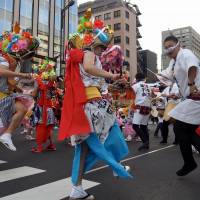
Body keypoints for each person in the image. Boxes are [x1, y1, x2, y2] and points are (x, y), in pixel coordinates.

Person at [59, 11, 131, 200]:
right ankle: (116, 166)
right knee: (113, 131)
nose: (101, 51)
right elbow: (91, 69)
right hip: (93, 105)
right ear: (94, 43)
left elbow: (91, 79)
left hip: (87, 104)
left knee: (83, 149)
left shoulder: (78, 57)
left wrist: (112, 82)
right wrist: (112, 75)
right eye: (101, 47)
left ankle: (77, 188)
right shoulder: (88, 53)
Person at [160, 35, 200, 176]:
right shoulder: (173, 62)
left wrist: (191, 83)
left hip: (196, 97)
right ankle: (189, 162)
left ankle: (189, 163)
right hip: (190, 99)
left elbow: (193, 67)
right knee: (187, 130)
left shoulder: (185, 53)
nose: (168, 49)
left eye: (170, 45)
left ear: (178, 44)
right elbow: (167, 75)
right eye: (165, 47)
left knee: (180, 127)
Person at [0, 55, 31, 151]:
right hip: (2, 95)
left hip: (5, 94)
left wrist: (19, 88)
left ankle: (7, 135)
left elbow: (10, 81)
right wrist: (21, 75)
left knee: (22, 109)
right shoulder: (4, 57)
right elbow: (1, 72)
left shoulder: (12, 61)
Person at [132, 73, 152, 150]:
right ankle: (147, 143)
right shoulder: (148, 86)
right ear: (144, 78)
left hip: (139, 107)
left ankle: (145, 141)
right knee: (143, 126)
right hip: (147, 107)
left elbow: (129, 94)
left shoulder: (136, 85)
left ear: (136, 79)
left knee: (135, 126)